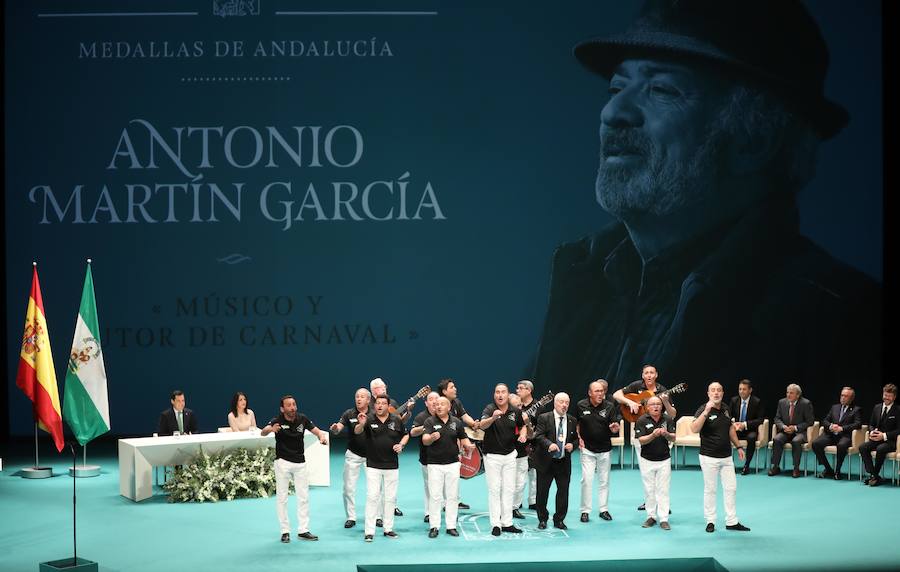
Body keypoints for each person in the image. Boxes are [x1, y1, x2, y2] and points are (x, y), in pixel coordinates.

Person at [530, 0, 881, 419]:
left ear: (755, 140)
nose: (613, 112)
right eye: (616, 87)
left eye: (662, 90)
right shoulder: (584, 277)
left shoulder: (848, 323)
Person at [261, 395, 328, 543]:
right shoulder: (277, 420)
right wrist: (271, 429)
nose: (292, 407)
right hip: (283, 462)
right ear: (282, 408)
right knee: (282, 498)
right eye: (289, 405)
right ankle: (285, 531)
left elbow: (317, 431)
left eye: (294, 404)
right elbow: (263, 431)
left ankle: (303, 530)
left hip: (300, 463)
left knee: (303, 497)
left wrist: (321, 437)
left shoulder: (302, 419)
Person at [612, 364, 675, 510]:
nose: (649, 375)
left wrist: (665, 401)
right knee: (646, 471)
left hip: (662, 433)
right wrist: (630, 402)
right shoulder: (636, 386)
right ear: (643, 375)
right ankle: (649, 502)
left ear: (656, 375)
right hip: (641, 432)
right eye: (646, 373)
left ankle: (662, 503)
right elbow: (616, 394)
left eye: (652, 372)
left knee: (662, 473)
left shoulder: (663, 390)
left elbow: (672, 414)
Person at [691, 382, 751, 533]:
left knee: (731, 488)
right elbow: (694, 428)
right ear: (708, 394)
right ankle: (710, 521)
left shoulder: (726, 408)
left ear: (723, 393)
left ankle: (731, 521)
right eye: (713, 391)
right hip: (708, 457)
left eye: (719, 390)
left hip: (726, 457)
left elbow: (730, 428)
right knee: (710, 490)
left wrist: (738, 446)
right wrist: (706, 411)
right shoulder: (703, 409)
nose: (716, 393)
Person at [355, 394, 409, 541]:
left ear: (388, 406)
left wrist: (401, 445)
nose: (379, 406)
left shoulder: (396, 420)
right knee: (372, 497)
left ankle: (388, 529)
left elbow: (405, 435)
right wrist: (361, 424)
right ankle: (369, 532)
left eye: (383, 403)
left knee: (390, 498)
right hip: (373, 465)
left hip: (392, 465)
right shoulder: (369, 419)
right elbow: (357, 431)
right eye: (377, 403)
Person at [422, 396, 476, 538]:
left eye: (442, 404)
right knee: (435, 496)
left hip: (453, 463)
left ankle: (451, 526)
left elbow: (463, 438)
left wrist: (469, 446)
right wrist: (431, 438)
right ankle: (434, 526)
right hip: (434, 464)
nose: (438, 406)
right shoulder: (429, 421)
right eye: (436, 404)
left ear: (449, 408)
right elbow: (424, 440)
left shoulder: (456, 422)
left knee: (452, 497)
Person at [480, 383, 527, 536]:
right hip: (492, 456)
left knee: (509, 489)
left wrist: (523, 434)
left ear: (508, 395)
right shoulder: (489, 409)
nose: (500, 395)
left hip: (510, 456)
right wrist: (493, 418)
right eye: (497, 392)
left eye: (503, 392)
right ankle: (496, 524)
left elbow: (522, 425)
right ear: (494, 395)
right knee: (495, 490)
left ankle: (507, 522)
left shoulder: (515, 411)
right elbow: (482, 426)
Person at [575, 379, 621, 522]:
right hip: (587, 449)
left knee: (604, 481)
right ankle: (585, 511)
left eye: (602, 391)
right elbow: (576, 424)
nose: (600, 393)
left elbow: (614, 424)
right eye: (597, 391)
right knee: (587, 480)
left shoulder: (610, 406)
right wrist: (578, 438)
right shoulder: (581, 405)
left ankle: (603, 509)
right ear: (590, 393)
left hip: (605, 449)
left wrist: (615, 428)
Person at [533, 392, 578, 530]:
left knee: (563, 492)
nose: (564, 405)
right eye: (561, 402)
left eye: (567, 403)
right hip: (546, 462)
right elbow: (538, 436)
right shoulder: (544, 418)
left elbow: (576, 439)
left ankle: (559, 519)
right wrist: (549, 444)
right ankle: (542, 519)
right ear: (555, 403)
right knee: (542, 492)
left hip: (563, 462)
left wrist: (573, 445)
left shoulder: (572, 420)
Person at [330, 388, 372, 528]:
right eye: (356, 396)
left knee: (375, 488)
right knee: (348, 487)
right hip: (353, 454)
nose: (358, 399)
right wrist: (335, 428)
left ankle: (377, 516)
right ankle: (351, 517)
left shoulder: (374, 414)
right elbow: (338, 428)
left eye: (362, 397)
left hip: (372, 455)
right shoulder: (349, 413)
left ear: (368, 400)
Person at [634, 396, 675, 530]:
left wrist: (666, 434)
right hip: (647, 460)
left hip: (664, 459)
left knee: (663, 490)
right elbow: (641, 440)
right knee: (649, 490)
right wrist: (653, 435)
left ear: (662, 406)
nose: (656, 406)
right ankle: (651, 516)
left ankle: (663, 519)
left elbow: (674, 437)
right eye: (652, 404)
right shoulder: (641, 420)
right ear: (647, 407)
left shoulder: (667, 419)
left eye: (658, 404)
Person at [437, 377, 477, 510]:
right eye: (452, 387)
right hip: (440, 447)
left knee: (454, 473)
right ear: (444, 391)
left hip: (455, 444)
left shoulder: (456, 402)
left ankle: (455, 500)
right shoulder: (438, 405)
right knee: (442, 474)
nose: (455, 389)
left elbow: (465, 417)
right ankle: (443, 502)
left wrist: (474, 424)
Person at [811, 387, 862, 480]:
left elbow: (858, 424)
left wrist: (842, 428)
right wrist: (831, 426)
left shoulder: (856, 410)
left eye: (846, 396)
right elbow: (825, 420)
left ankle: (837, 471)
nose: (843, 398)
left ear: (851, 398)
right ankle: (828, 469)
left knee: (841, 445)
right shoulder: (835, 407)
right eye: (842, 395)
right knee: (815, 444)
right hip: (831, 435)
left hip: (845, 436)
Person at [768, 383, 815, 478]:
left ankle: (796, 468)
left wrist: (796, 427)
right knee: (777, 439)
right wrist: (783, 426)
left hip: (800, 432)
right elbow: (777, 418)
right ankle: (775, 466)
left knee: (796, 441)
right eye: (787, 392)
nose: (788, 395)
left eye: (791, 393)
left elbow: (810, 421)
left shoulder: (805, 403)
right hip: (785, 431)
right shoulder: (782, 402)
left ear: (798, 395)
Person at [859, 384, 899, 487]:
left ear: (894, 397)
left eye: (889, 396)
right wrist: (872, 431)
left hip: (890, 441)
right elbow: (871, 424)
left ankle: (874, 476)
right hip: (876, 438)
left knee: (881, 449)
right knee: (862, 447)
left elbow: (899, 430)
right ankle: (874, 475)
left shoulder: (898, 410)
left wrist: (884, 435)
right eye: (885, 395)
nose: (886, 397)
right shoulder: (877, 407)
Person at [410, 391, 440, 523]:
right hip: (427, 458)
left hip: (446, 458)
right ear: (426, 403)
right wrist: (426, 427)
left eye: (436, 399)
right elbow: (413, 432)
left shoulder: (446, 416)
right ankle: (429, 512)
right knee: (429, 485)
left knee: (445, 486)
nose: (434, 401)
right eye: (431, 399)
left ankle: (445, 509)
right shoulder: (421, 417)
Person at [515, 380, 543, 511]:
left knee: (533, 473)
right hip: (518, 443)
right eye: (517, 388)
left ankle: (533, 501)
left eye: (521, 388)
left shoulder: (539, 406)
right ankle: (517, 501)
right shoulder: (515, 405)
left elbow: (541, 426)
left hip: (533, 443)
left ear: (529, 390)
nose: (518, 390)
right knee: (518, 475)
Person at [728, 380, 765, 475]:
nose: (741, 391)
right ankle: (726, 464)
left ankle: (747, 465)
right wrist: (734, 424)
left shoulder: (757, 402)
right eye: (740, 389)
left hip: (750, 429)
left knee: (752, 438)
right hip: (736, 429)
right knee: (725, 435)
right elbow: (728, 416)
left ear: (750, 390)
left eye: (744, 389)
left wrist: (744, 424)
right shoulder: (734, 400)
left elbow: (760, 419)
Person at [507, 393, 531, 520]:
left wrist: (527, 423)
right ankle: (504, 508)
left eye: (521, 404)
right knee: (507, 484)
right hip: (507, 456)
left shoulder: (524, 416)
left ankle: (514, 508)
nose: (520, 407)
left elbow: (531, 435)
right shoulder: (505, 417)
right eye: (517, 405)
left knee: (521, 483)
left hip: (522, 455)